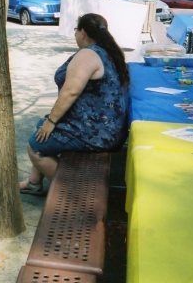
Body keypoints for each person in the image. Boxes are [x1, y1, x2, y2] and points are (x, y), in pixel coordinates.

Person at [19, 13, 130, 196]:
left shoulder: (88, 54)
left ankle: (74, 193)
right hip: (109, 128)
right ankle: (34, 182)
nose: (75, 34)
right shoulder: (110, 51)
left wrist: (52, 121)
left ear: (83, 33)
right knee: (41, 126)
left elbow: (71, 91)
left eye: (75, 30)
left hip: (97, 132)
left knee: (35, 146)